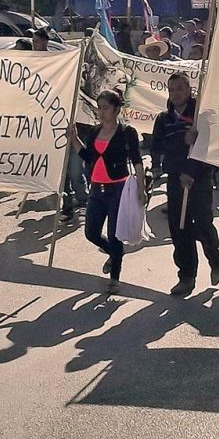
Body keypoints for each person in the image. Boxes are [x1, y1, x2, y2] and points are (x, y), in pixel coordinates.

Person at [150, 73, 219, 297]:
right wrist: (156, 169)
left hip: (198, 177)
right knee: (179, 227)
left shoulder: (201, 115)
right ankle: (186, 276)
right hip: (175, 178)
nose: (176, 93)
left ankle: (214, 254)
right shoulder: (164, 118)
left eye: (180, 88)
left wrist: (192, 166)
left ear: (189, 90)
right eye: (172, 89)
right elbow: (156, 146)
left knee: (202, 222)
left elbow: (211, 148)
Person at [68, 90, 146, 294]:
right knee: (91, 232)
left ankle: (115, 278)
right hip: (96, 189)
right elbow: (88, 156)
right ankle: (114, 254)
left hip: (118, 189)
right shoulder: (94, 132)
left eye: (105, 108)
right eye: (99, 107)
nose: (101, 112)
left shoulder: (127, 133)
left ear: (117, 110)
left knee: (114, 235)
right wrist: (74, 139)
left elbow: (137, 161)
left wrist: (141, 188)